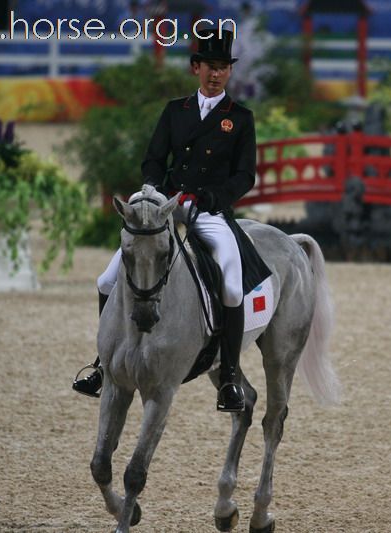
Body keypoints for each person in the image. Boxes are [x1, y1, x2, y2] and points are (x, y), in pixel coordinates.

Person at [73, 28, 270, 413]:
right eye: (208, 67)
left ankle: (228, 376)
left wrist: (215, 197)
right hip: (165, 209)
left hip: (210, 213)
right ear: (196, 68)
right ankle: (103, 365)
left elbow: (245, 175)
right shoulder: (173, 111)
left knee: (231, 285)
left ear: (229, 72)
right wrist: (154, 192)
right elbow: (152, 160)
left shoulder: (240, 118)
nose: (215, 75)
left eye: (222, 68)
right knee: (107, 278)